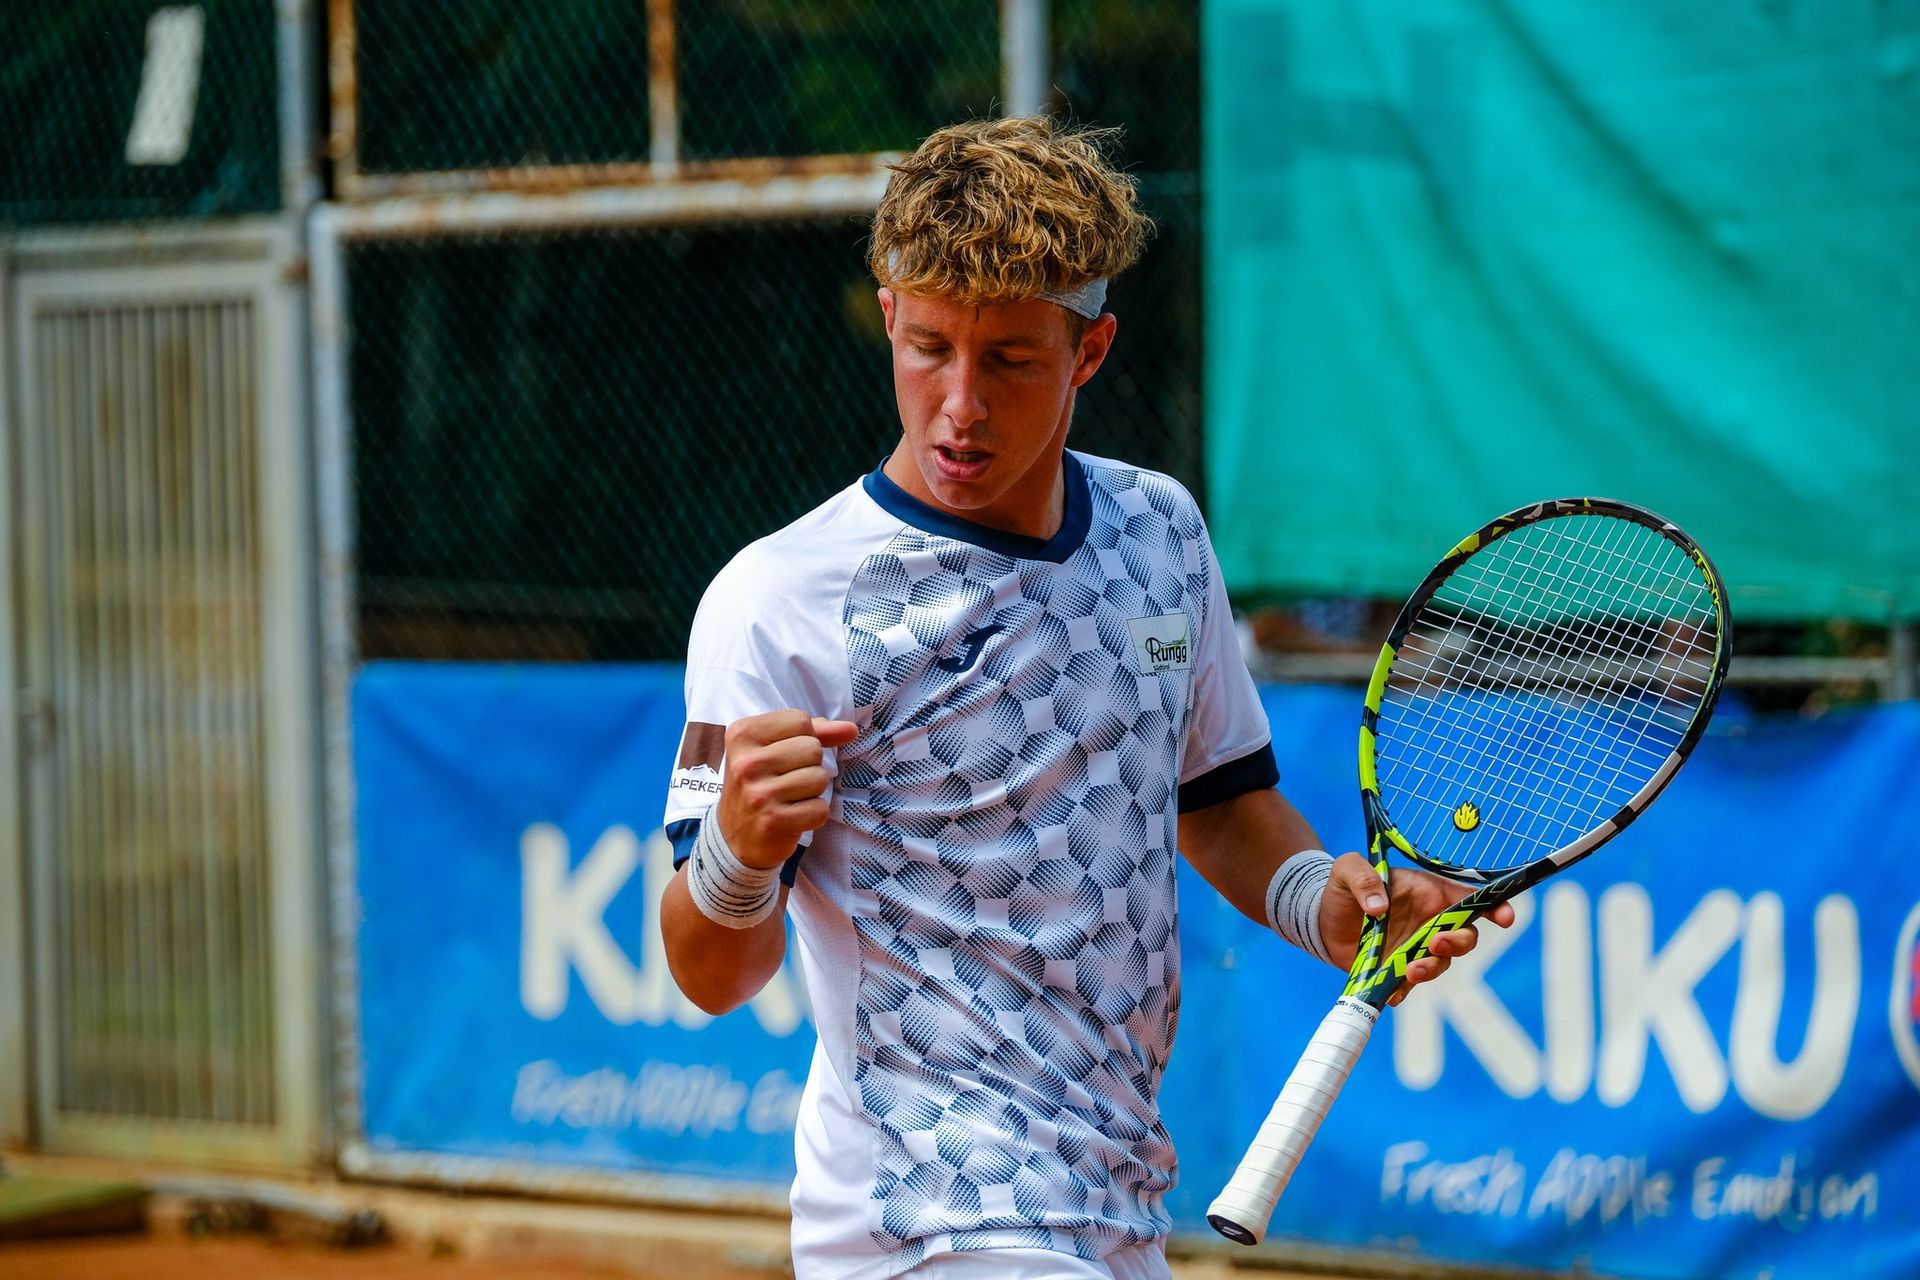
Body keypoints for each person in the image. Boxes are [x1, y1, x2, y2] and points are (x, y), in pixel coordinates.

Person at [660, 116, 1511, 1280]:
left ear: (1091, 351)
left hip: (1109, 1202)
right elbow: (709, 971)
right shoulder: (778, 600)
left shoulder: (1160, 531)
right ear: (888, 316)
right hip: (927, 1216)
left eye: (1008, 358)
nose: (958, 404)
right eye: (926, 348)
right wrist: (737, 853)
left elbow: (1219, 804)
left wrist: (1335, 904)